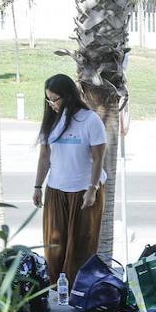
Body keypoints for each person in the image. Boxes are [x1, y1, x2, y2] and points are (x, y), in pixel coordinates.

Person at [32, 74, 107, 283]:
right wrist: (38, 186)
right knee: (55, 246)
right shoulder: (52, 120)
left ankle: (81, 290)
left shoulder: (89, 120)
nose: (51, 104)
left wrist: (92, 189)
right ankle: (56, 288)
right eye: (48, 99)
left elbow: (98, 157)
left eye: (55, 99)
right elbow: (45, 156)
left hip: (85, 191)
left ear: (68, 96)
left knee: (82, 244)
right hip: (56, 190)